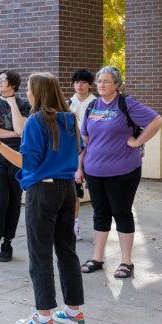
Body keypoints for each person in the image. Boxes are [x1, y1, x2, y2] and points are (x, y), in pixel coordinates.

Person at [0, 73, 86, 324]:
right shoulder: (70, 118)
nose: (26, 93)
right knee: (67, 251)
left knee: (40, 254)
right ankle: (74, 311)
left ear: (37, 92)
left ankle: (43, 317)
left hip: (43, 191)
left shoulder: (38, 121)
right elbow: (79, 149)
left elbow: (27, 162)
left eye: (28, 88)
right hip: (66, 189)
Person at [77, 66, 162, 279]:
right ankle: (97, 257)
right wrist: (79, 168)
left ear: (117, 84)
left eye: (106, 81)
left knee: (121, 212)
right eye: (99, 81)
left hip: (123, 170)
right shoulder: (92, 107)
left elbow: (156, 121)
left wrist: (137, 142)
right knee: (100, 213)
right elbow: (84, 141)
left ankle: (126, 262)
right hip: (94, 170)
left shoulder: (126, 104)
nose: (102, 85)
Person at [0, 69, 30, 262]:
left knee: (14, 202)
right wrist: (13, 134)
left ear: (14, 84)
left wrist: (12, 104)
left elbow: (22, 129)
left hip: (17, 157)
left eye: (4, 79)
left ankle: (7, 242)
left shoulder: (24, 105)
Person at [68, 69, 97, 240]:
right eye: (77, 82)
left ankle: (101, 228)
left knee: (97, 192)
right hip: (73, 154)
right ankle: (74, 224)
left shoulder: (96, 103)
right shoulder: (67, 103)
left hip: (94, 153)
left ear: (89, 85)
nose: (80, 85)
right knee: (74, 192)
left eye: (84, 82)